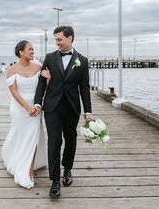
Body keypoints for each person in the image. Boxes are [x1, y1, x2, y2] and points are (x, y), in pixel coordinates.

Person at [34, 26, 93, 198]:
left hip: (72, 108)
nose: (57, 43)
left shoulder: (82, 60)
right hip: (52, 107)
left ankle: (67, 169)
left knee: (70, 139)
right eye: (55, 40)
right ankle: (55, 181)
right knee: (54, 141)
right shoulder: (50, 58)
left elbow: (84, 87)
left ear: (70, 38)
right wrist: (38, 103)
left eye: (59, 39)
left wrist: (88, 111)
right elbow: (41, 83)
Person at [2, 40, 50, 189]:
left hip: (36, 107)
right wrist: (26, 107)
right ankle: (15, 159)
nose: (33, 51)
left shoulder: (38, 67)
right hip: (19, 108)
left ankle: (29, 170)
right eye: (30, 49)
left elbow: (43, 87)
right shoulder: (12, 70)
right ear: (21, 52)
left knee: (33, 137)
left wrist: (48, 78)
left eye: (33, 49)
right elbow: (14, 92)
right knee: (20, 134)